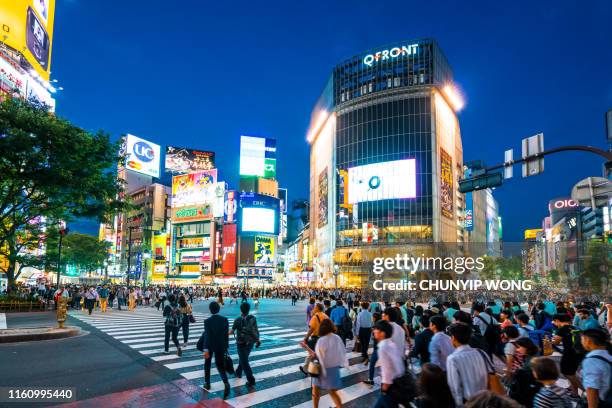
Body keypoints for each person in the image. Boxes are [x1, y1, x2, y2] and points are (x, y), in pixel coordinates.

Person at [301, 318, 345, 408]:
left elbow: (315, 355)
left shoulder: (322, 340)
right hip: (334, 370)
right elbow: (342, 352)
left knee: (315, 392)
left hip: (321, 369)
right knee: (333, 393)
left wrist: (306, 347)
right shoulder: (337, 338)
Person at [446, 323, 493, 408]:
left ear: (453, 338)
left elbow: (455, 388)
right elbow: (492, 375)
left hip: (468, 402)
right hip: (485, 400)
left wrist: (459, 405)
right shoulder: (481, 352)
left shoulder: (452, 359)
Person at [372, 319, 406, 408]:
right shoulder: (391, 343)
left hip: (390, 386)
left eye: (376, 329)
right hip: (397, 382)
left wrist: (385, 388)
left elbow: (387, 370)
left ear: (382, 333)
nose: (374, 331)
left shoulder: (383, 347)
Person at [202, 301, 230, 397]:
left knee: (207, 364)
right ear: (219, 309)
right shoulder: (225, 320)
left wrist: (205, 349)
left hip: (210, 345)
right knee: (220, 365)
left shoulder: (207, 321)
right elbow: (226, 336)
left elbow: (207, 336)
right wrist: (226, 347)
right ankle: (226, 382)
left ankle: (207, 383)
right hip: (221, 345)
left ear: (210, 310)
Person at [551, 313, 582, 396]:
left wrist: (551, 341)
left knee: (567, 373)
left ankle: (585, 390)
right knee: (571, 373)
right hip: (577, 353)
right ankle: (574, 394)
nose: (553, 324)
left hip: (569, 354)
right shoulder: (575, 328)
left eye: (553, 322)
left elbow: (556, 342)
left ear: (557, 321)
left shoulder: (560, 330)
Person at [230, 302, 260, 387]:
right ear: (248, 310)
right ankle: (239, 372)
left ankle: (251, 380)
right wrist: (258, 340)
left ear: (241, 310)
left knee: (244, 361)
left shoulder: (237, 320)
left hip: (241, 343)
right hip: (250, 342)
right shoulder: (253, 318)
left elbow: (232, 331)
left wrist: (223, 334)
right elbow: (255, 330)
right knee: (244, 358)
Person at [580, 329, 612, 408]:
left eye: (582, 340)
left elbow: (592, 389)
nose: (581, 343)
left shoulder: (592, 361)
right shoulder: (608, 356)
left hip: (600, 403)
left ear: (588, 341)